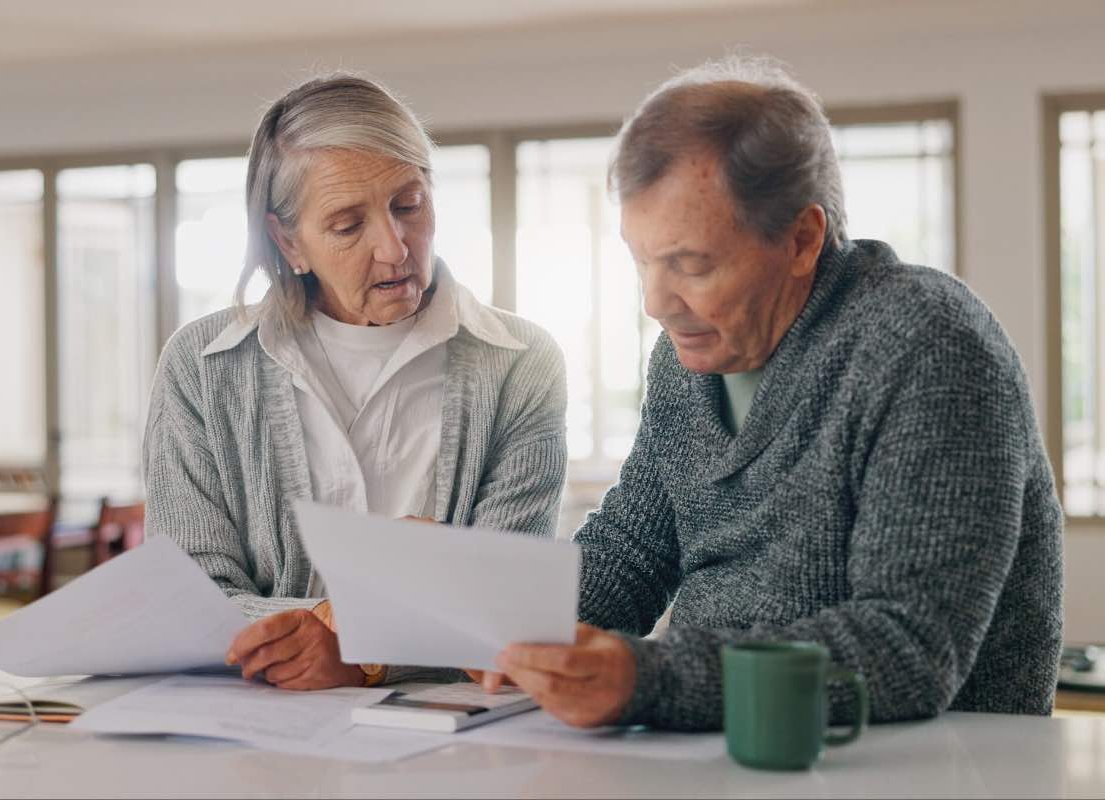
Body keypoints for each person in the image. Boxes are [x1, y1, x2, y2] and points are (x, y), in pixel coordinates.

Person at [491, 56, 1063, 731]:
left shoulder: (926, 341)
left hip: (918, 762)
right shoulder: (687, 358)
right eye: (641, 259)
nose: (655, 302)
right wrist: (499, 624)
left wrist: (651, 679)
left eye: (691, 264)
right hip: (725, 749)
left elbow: (907, 649)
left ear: (802, 238)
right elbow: (633, 552)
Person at [143, 74, 567, 691]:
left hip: (455, 739)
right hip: (256, 733)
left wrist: (365, 656)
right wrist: (323, 623)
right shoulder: (201, 366)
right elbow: (189, 596)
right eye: (347, 225)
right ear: (288, 241)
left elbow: (507, 609)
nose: (395, 249)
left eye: (409, 205)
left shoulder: (522, 363)